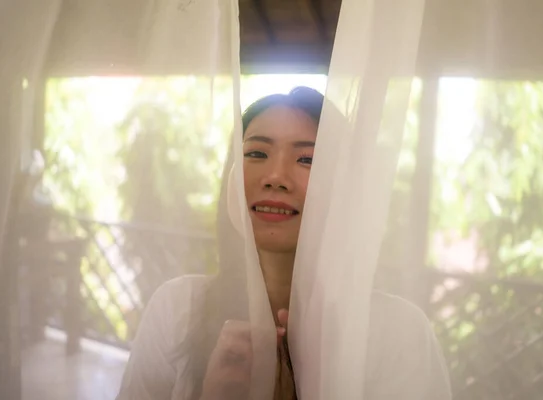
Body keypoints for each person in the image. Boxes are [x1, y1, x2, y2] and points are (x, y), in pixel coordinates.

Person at [116, 87, 452, 400]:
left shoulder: (399, 333)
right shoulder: (177, 308)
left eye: (308, 160)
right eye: (257, 153)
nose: (275, 177)